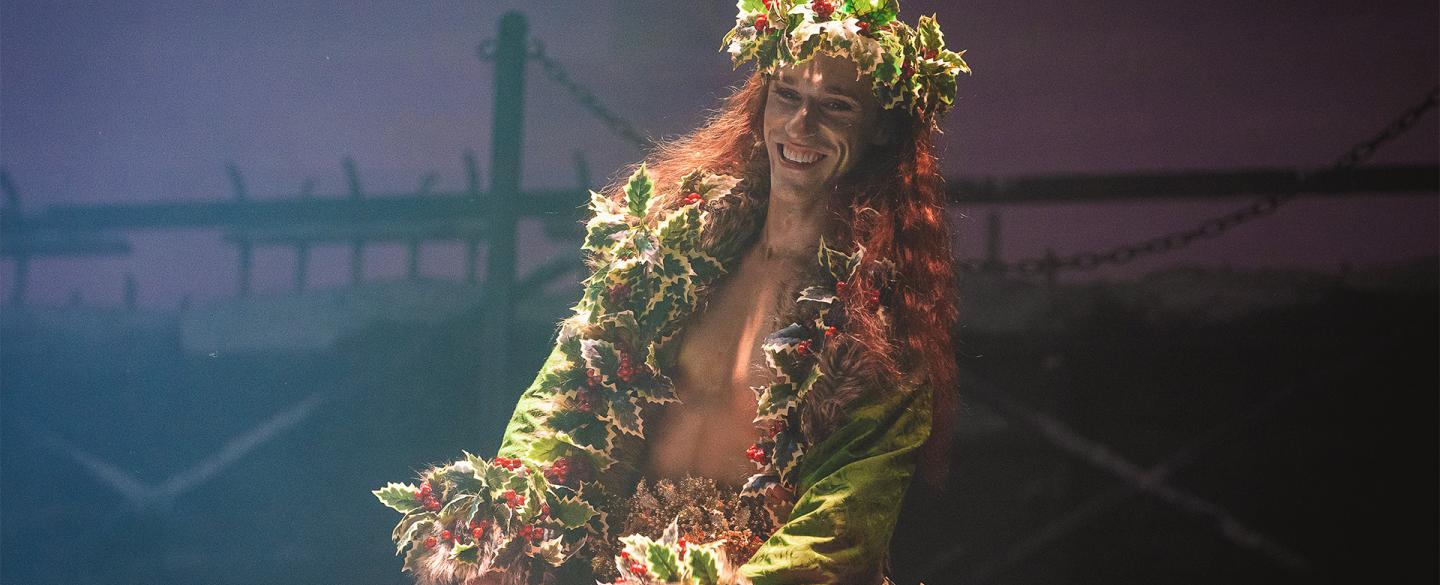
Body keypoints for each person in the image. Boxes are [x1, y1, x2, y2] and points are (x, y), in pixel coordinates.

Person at [376, 2, 969, 583]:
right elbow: (567, 400)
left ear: (883, 126)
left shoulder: (878, 331)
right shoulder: (667, 259)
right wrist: (506, 530)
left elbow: (840, 526)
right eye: (787, 94)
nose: (800, 126)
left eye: (835, 106)